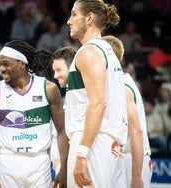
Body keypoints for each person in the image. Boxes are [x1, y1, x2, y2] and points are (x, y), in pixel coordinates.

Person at [0, 40, 69, 188]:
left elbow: (62, 132)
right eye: (0, 64)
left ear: (22, 63)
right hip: (8, 162)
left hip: (39, 162)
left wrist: (63, 168)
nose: (1, 68)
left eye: (6, 64)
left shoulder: (48, 89)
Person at [66, 1, 128, 187]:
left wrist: (82, 152)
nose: (69, 21)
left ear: (89, 18)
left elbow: (98, 103)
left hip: (93, 142)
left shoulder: (89, 52)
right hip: (110, 143)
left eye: (74, 14)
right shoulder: (108, 51)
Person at [103, 35, 152, 188]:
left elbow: (136, 131)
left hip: (132, 159)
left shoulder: (123, 88)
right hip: (124, 156)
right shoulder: (118, 82)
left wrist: (136, 176)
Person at [51, 46, 76, 174]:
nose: (55, 75)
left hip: (73, 162)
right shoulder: (70, 93)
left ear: (71, 67)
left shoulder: (83, 94)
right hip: (62, 163)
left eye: (59, 70)